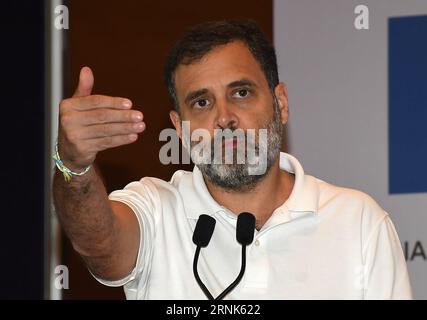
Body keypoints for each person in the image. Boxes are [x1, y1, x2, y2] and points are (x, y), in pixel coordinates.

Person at [53, 20, 412, 299]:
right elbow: (99, 244)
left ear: (280, 104)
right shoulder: (157, 209)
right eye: (202, 103)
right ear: (179, 127)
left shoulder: (359, 222)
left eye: (241, 93)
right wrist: (74, 165)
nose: (224, 118)